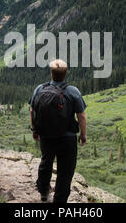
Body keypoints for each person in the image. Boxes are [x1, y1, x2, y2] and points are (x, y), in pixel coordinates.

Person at [29, 59, 87, 203]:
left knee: (45, 162)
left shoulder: (40, 89)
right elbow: (81, 115)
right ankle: (59, 201)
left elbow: (32, 110)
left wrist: (34, 129)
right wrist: (83, 134)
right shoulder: (73, 91)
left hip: (46, 135)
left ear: (51, 73)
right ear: (65, 73)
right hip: (67, 138)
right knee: (65, 171)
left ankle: (43, 192)